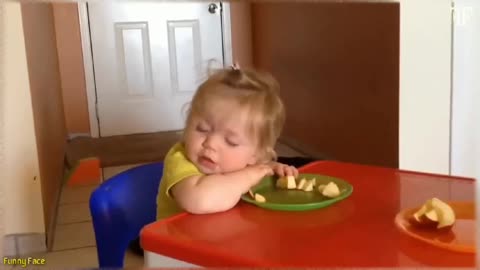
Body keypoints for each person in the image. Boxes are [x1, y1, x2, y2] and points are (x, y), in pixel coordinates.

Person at [155, 64, 299, 220]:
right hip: (174, 242)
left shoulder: (246, 165)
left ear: (255, 156)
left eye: (231, 142)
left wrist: (270, 170)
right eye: (202, 129)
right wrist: (250, 175)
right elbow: (200, 200)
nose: (210, 143)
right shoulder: (180, 160)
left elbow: (258, 171)